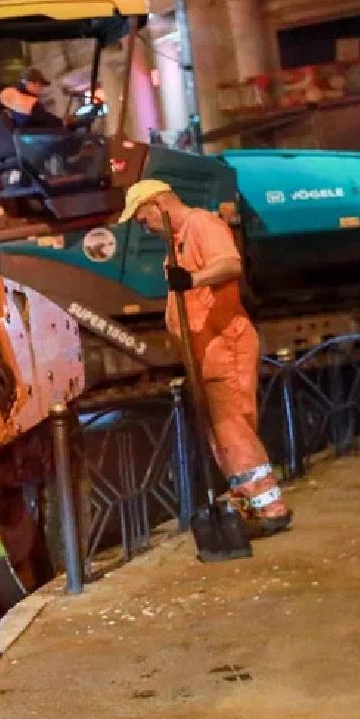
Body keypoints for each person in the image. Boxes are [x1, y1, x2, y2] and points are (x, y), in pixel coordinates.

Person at [120, 179, 293, 537]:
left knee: (234, 429)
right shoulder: (179, 240)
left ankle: (270, 508)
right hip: (209, 351)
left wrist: (193, 279)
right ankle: (248, 500)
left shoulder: (200, 224)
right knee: (225, 432)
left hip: (224, 344)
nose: (146, 228)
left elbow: (230, 265)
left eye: (143, 220)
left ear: (158, 205)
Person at [0, 67, 65, 130]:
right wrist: (64, 122)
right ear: (31, 83)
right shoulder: (30, 104)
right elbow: (51, 121)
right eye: (40, 85)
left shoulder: (6, 94)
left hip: (19, 134)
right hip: (33, 136)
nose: (41, 89)